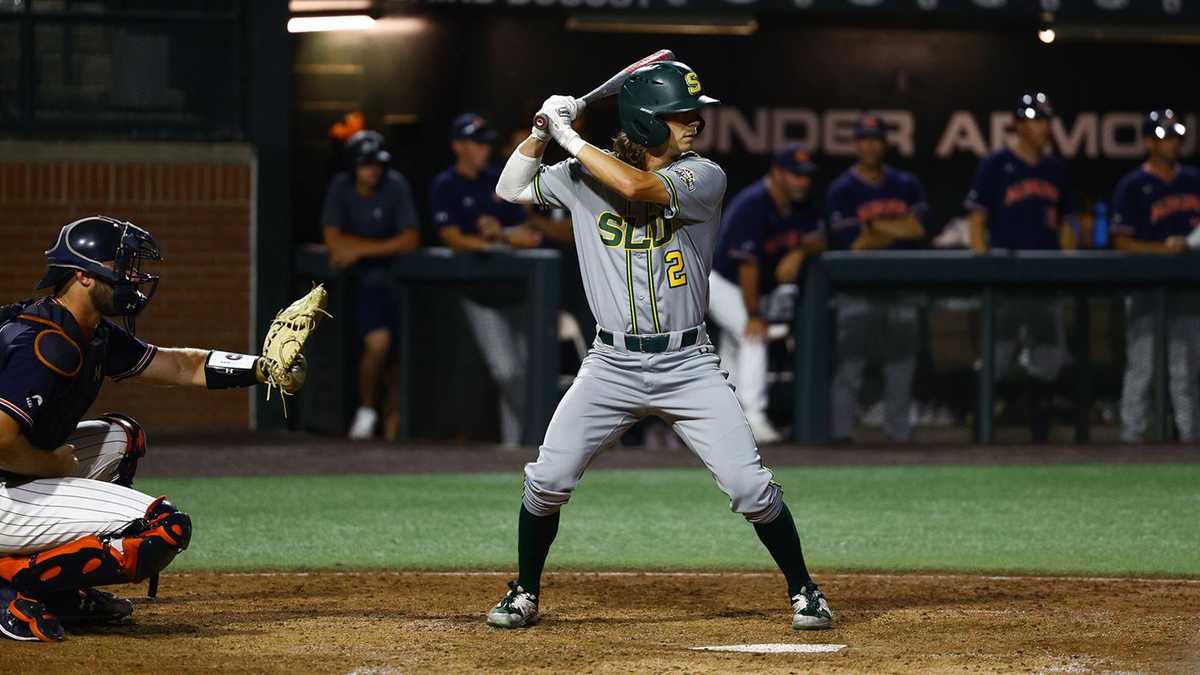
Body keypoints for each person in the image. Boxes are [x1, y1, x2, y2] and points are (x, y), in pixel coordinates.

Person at [486, 60, 833, 631]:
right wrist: (541, 133)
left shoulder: (704, 176)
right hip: (609, 364)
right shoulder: (580, 177)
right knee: (546, 481)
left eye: (692, 114)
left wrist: (569, 136)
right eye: (677, 117)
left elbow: (638, 186)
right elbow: (510, 187)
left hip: (687, 363)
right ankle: (524, 590)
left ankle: (805, 590)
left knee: (750, 487)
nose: (693, 124)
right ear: (647, 121)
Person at [0, 216, 305, 642]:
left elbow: (182, 365)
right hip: (6, 480)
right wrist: (51, 463)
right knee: (164, 527)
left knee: (122, 438)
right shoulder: (45, 345)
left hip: (15, 478)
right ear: (83, 276)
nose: (131, 277)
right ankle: (13, 584)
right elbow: (0, 442)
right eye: (121, 266)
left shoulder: (89, 332)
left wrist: (262, 368)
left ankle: (63, 592)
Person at [965, 93, 1077, 442]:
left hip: (1044, 276)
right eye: (1034, 119)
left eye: (1045, 120)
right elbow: (977, 220)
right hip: (1005, 275)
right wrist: (983, 264)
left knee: (1048, 358)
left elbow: (1067, 225)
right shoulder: (996, 164)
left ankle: (1038, 431)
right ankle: (982, 429)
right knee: (996, 359)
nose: (1042, 126)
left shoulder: (1056, 168)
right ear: (1018, 124)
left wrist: (1068, 264)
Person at [431, 114, 543, 447]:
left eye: (484, 143)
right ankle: (519, 441)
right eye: (475, 143)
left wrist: (500, 234)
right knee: (507, 371)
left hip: (516, 290)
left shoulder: (498, 180)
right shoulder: (446, 184)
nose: (483, 149)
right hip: (479, 294)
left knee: (527, 373)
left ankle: (517, 446)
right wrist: (494, 240)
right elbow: (451, 238)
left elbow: (528, 234)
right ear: (458, 146)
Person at [708, 143, 826, 444]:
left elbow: (821, 238)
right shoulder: (753, 204)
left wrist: (799, 251)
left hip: (753, 287)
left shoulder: (802, 204)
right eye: (794, 175)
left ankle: (725, 423)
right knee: (754, 337)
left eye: (805, 175)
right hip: (722, 282)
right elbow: (747, 266)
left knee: (736, 351)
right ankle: (754, 418)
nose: (801, 181)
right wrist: (755, 315)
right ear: (777, 173)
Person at [825, 113, 927, 443]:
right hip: (856, 289)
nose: (870, 145)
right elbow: (855, 244)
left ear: (885, 144)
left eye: (876, 139)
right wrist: (897, 226)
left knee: (901, 366)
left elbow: (918, 229)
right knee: (850, 366)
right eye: (864, 139)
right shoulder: (841, 189)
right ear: (856, 144)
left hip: (901, 286)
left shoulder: (907, 183)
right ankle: (839, 435)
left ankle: (898, 434)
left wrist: (874, 227)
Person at [320, 129, 421, 440]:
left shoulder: (394, 185)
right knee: (377, 346)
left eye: (376, 163)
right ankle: (367, 410)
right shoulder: (341, 186)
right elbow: (334, 241)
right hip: (362, 283)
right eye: (365, 163)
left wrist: (360, 248)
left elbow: (411, 238)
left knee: (400, 356)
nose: (373, 169)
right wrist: (374, 245)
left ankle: (393, 422)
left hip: (400, 282)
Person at [1112, 109, 1200, 442]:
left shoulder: (1193, 179)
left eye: (1176, 136)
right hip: (1146, 287)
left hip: (1188, 287)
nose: (1172, 143)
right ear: (1149, 141)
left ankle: (1192, 441)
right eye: (1165, 136)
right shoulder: (1133, 185)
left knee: (1186, 370)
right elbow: (1121, 239)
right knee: (1143, 368)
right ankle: (1131, 439)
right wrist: (1164, 251)